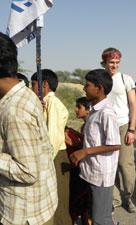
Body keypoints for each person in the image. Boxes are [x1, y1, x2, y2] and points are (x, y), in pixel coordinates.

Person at [0, 32, 57, 225]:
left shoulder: (14, 110)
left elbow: (27, 171)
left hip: (23, 214)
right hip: (38, 205)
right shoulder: (25, 93)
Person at [69, 69, 121, 225]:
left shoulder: (107, 113)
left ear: (99, 88)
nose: (84, 88)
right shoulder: (93, 111)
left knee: (101, 219)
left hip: (100, 175)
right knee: (91, 214)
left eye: (87, 85)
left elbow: (115, 144)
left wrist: (84, 152)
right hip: (90, 171)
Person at [101, 47, 136, 213]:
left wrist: (132, 129)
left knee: (125, 165)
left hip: (123, 125)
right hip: (104, 126)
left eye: (117, 62)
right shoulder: (100, 78)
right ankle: (114, 199)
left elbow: (133, 105)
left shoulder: (125, 79)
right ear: (104, 62)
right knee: (110, 165)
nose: (114, 65)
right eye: (111, 62)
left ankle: (130, 197)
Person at [31, 69, 71, 225]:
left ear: (44, 85)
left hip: (55, 156)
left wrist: (45, 161)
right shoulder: (44, 103)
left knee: (58, 200)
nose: (31, 88)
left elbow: (53, 136)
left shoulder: (53, 103)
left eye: (33, 84)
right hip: (52, 155)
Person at [65, 97, 91, 225]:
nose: (76, 109)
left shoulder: (90, 125)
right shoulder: (85, 125)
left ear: (88, 110)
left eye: (79, 107)